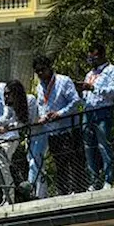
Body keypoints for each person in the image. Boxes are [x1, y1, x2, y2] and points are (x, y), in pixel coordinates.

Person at [32, 54, 86, 196]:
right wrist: (43, 118)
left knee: (73, 160)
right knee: (59, 163)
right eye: (37, 72)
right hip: (52, 131)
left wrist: (59, 113)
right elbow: (42, 105)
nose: (40, 74)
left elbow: (75, 101)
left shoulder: (63, 81)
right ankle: (63, 191)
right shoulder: (39, 87)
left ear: (50, 68)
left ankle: (78, 189)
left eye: (42, 70)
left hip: (68, 128)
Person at [78, 44, 114, 191]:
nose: (91, 60)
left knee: (104, 145)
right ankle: (93, 181)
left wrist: (93, 88)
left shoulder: (112, 70)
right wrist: (81, 92)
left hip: (103, 111)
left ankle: (109, 180)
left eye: (94, 56)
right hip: (88, 112)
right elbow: (85, 96)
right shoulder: (89, 74)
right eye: (90, 57)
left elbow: (113, 91)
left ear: (102, 55)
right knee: (89, 147)